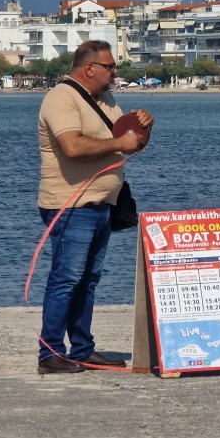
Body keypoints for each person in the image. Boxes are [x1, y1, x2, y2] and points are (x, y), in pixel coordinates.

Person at [36, 40, 153, 374]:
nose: (115, 73)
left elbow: (129, 141)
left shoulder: (105, 99)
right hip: (71, 204)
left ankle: (82, 349)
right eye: (110, 67)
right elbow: (72, 147)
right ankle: (50, 353)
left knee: (87, 279)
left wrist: (144, 127)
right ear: (90, 68)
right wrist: (121, 142)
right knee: (67, 278)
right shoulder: (61, 98)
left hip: (101, 204)